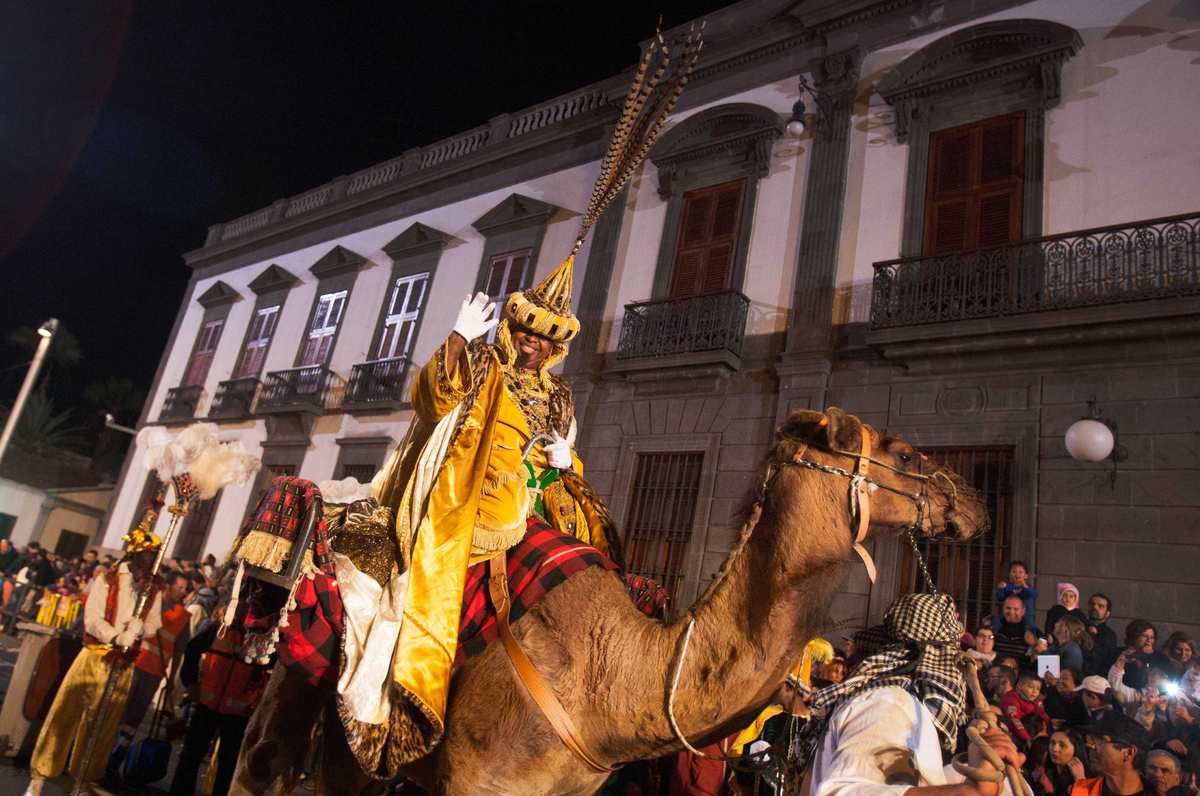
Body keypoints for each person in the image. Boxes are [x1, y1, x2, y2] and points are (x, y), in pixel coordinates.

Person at [794, 592, 1025, 796]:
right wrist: (968, 792)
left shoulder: (899, 705)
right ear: (929, 659)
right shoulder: (887, 702)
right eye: (948, 657)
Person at [23, 529, 164, 796]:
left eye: (157, 554)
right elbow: (93, 618)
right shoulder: (108, 579)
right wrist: (115, 635)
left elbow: (156, 622)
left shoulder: (153, 587)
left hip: (123, 665)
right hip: (93, 657)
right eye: (150, 554)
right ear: (135, 553)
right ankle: (39, 777)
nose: (153, 559)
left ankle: (82, 780)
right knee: (65, 715)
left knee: (103, 727)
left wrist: (140, 629)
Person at [169, 601, 271, 796]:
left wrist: (259, 701)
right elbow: (192, 649)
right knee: (191, 756)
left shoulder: (266, 638)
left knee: (228, 766)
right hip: (207, 704)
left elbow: (271, 674)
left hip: (239, 713)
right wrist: (190, 683)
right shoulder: (220, 627)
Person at [107, 570, 193, 779]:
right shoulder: (150, 603)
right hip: (133, 666)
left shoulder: (183, 616)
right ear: (168, 586)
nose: (183, 592)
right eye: (179, 587)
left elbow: (179, 650)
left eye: (185, 589)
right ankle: (100, 756)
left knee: (132, 722)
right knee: (116, 714)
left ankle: (113, 765)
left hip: (153, 674)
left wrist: (171, 679)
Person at [1070, 711, 1151, 796]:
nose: (1089, 745)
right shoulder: (1077, 792)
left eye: (1100, 740)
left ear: (1129, 753)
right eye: (1089, 738)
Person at [1114, 621, 1171, 691]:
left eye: (1152, 637)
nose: (1148, 641)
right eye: (1144, 636)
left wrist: (1150, 656)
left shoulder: (1161, 658)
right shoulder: (1119, 653)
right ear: (1134, 636)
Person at [1003, 670, 1052, 748]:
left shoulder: (1038, 700)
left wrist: (1051, 732)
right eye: (1031, 687)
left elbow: (1043, 715)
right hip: (1017, 735)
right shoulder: (1012, 698)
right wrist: (1027, 740)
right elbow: (1014, 720)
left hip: (1033, 733)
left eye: (1038, 688)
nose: (1034, 692)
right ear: (1020, 686)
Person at [1032, 729, 1088, 796]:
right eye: (1052, 743)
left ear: (1076, 749)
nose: (1054, 749)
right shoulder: (1046, 774)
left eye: (1062, 745)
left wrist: (1079, 780)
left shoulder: (1086, 778)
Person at [996, 561, 1039, 633]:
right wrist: (1000, 589)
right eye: (1014, 572)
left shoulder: (1027, 586)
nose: (1017, 574)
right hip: (1011, 614)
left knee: (1029, 628)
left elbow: (1035, 595)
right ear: (1010, 575)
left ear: (1026, 575)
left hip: (1027, 614)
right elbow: (999, 598)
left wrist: (1026, 587)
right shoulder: (1008, 586)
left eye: (1021, 572)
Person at [995, 596, 1037, 669]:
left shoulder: (1032, 631)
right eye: (1008, 608)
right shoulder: (995, 627)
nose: (1011, 612)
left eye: (1015, 609)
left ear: (1023, 611)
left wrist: (1034, 644)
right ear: (1003, 609)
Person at [1088, 595, 1120, 677]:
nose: (1095, 607)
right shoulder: (1079, 626)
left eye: (1100, 606)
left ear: (1107, 613)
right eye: (1092, 604)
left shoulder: (1109, 635)